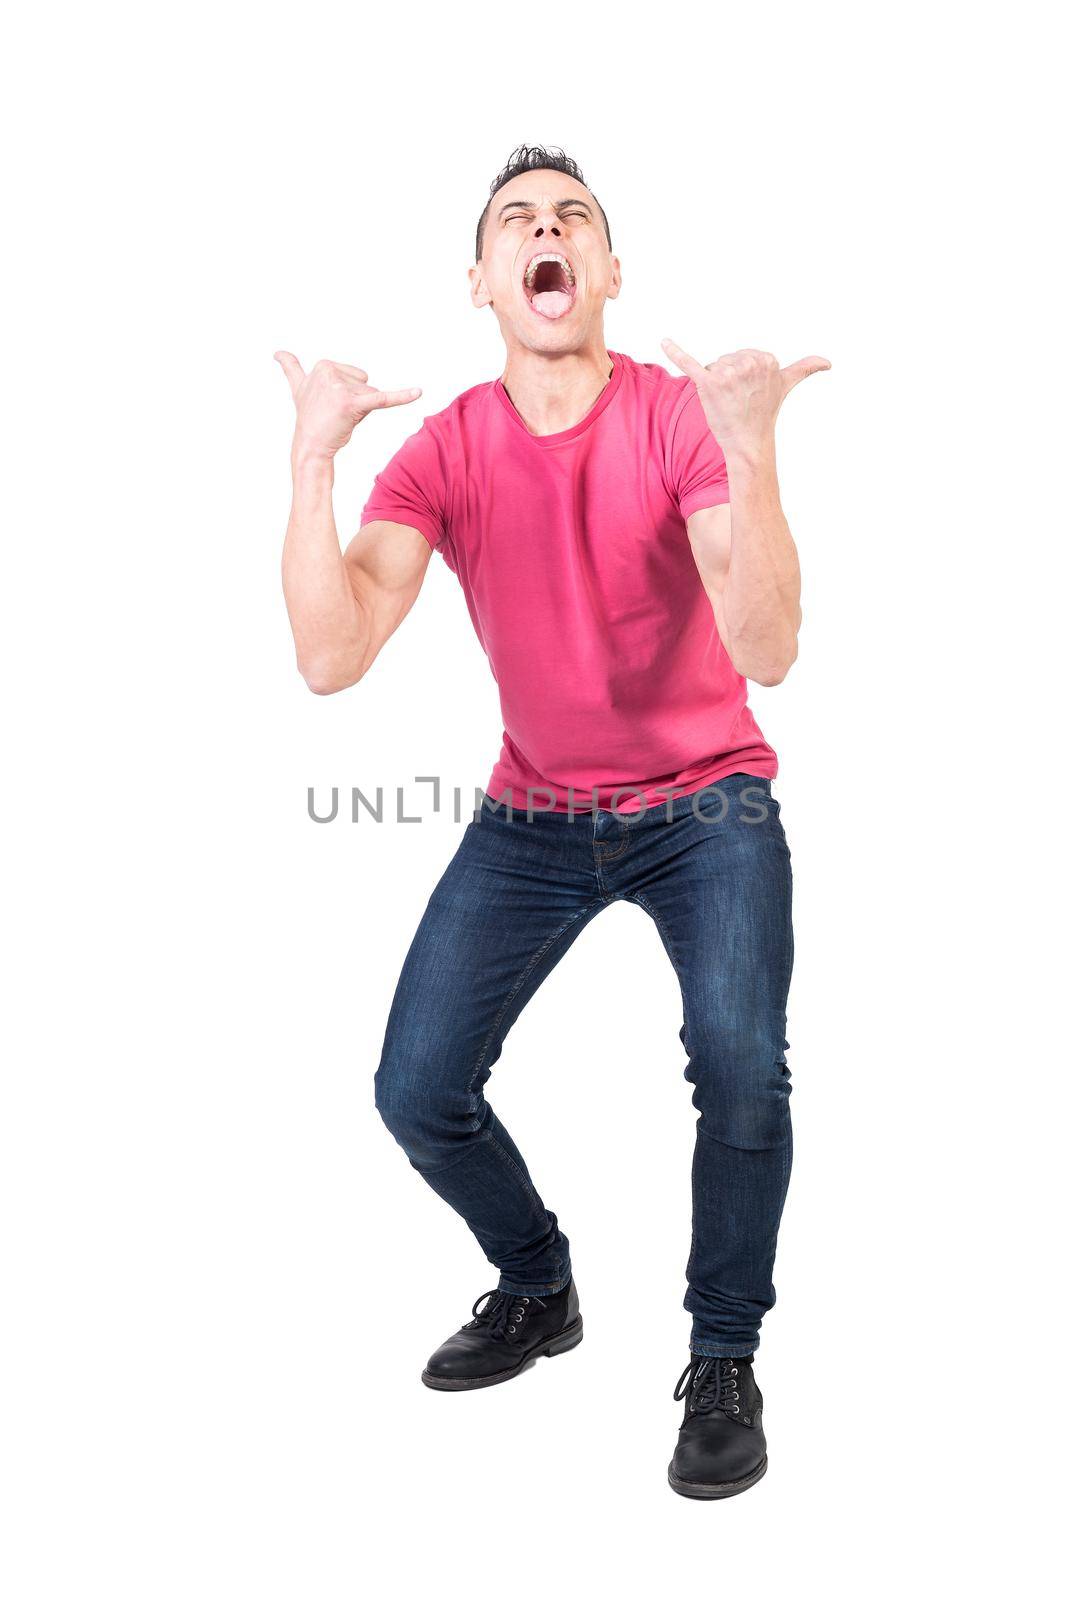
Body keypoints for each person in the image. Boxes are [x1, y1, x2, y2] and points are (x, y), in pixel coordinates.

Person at [275, 144, 829, 1500]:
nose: (548, 232)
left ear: (607, 276)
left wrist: (751, 454)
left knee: (742, 1062)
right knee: (415, 1089)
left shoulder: (674, 418)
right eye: (518, 221)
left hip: (709, 804)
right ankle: (539, 1286)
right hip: (535, 811)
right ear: (482, 281)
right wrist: (310, 467)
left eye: (574, 218)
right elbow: (333, 656)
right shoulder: (450, 447)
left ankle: (720, 1356)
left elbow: (767, 646)